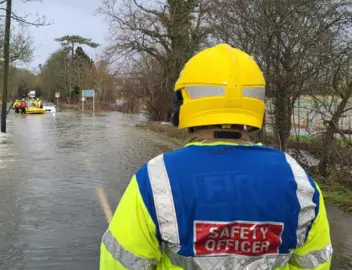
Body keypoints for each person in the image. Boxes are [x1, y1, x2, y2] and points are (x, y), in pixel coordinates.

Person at [99, 44, 332, 270]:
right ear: (256, 105)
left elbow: (120, 264)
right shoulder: (298, 181)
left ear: (183, 103)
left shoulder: (155, 178)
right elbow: (315, 264)